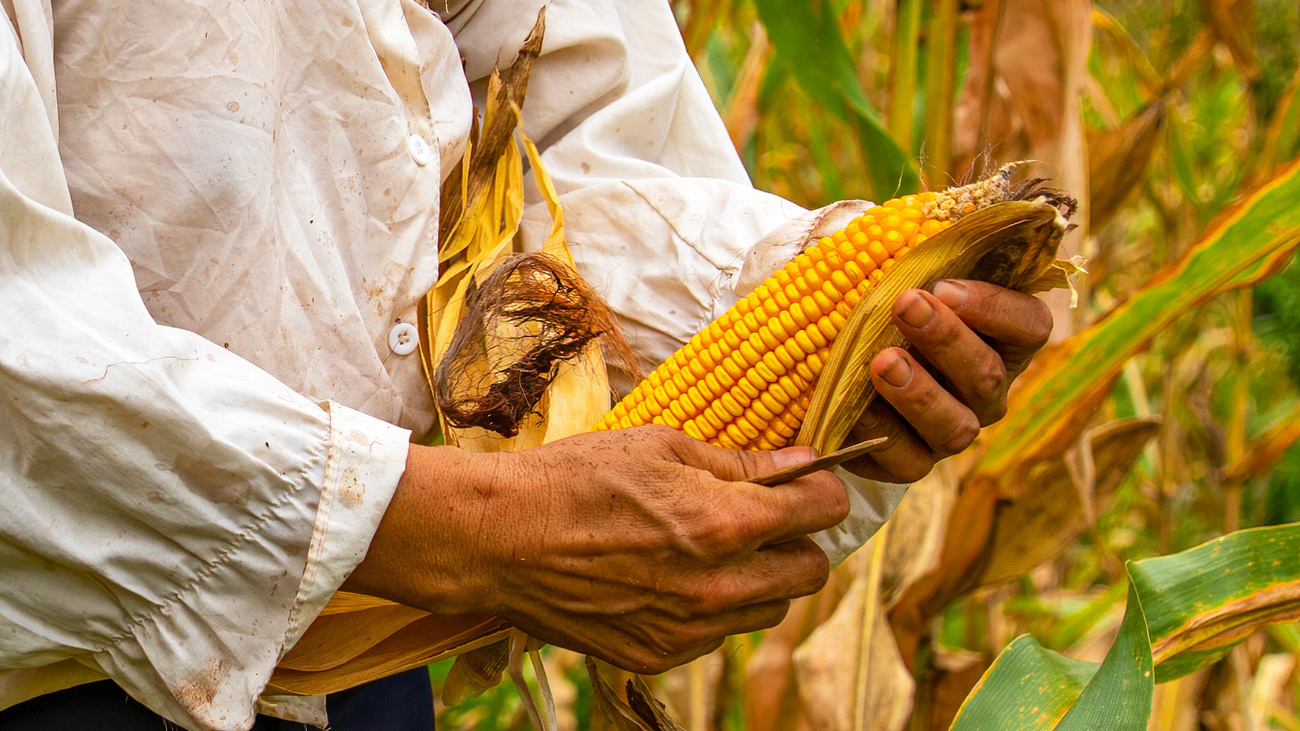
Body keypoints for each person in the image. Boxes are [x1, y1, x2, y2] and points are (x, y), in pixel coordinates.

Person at [0, 0, 1052, 729]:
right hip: (61, 660)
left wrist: (823, 320)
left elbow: (556, 148)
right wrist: (459, 520)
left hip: (345, 662)